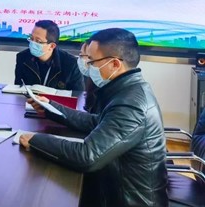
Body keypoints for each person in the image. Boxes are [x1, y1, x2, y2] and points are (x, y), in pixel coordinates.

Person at [18, 28, 168, 206]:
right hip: (110, 187)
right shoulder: (128, 90)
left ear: (115, 64)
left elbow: (87, 156)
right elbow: (96, 122)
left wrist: (36, 140)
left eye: (92, 61)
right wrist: (51, 107)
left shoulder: (130, 105)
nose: (88, 67)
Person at [15, 20, 84, 91]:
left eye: (38, 41)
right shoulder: (22, 58)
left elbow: (78, 95)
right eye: (32, 38)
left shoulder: (71, 64)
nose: (32, 43)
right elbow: (18, 89)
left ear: (52, 46)